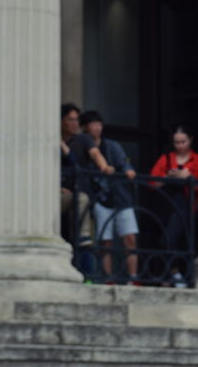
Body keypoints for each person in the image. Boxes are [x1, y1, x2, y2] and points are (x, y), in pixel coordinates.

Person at [73, 110, 140, 283]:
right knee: (105, 241)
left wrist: (128, 170)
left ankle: (134, 278)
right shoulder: (81, 146)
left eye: (99, 124)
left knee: (130, 238)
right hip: (100, 199)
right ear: (85, 128)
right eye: (93, 124)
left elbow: (124, 162)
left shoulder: (112, 146)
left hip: (121, 198)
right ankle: (108, 278)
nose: (97, 128)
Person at [148, 126, 198, 287]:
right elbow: (152, 182)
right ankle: (172, 275)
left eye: (183, 142)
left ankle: (177, 274)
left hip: (186, 205)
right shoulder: (166, 158)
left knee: (175, 239)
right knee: (165, 239)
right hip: (166, 207)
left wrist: (189, 177)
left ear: (190, 140)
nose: (180, 146)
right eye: (176, 142)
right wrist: (169, 176)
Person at [59, 103, 93, 245]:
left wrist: (105, 167)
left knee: (81, 199)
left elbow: (76, 162)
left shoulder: (82, 140)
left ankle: (83, 238)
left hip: (72, 194)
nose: (75, 124)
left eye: (76, 120)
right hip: (48, 197)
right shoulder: (49, 140)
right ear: (61, 121)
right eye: (70, 120)